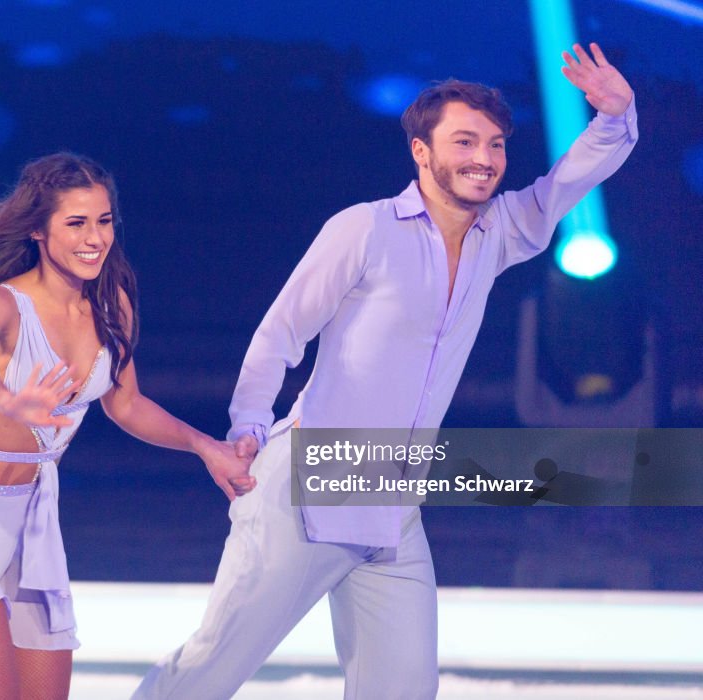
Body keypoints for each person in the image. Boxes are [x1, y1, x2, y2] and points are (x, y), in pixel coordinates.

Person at [133, 43, 637, 699]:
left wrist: (614, 118)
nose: (483, 158)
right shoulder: (366, 229)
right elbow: (281, 331)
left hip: (395, 507)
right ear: (422, 153)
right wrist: (248, 425)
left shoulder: (499, 233)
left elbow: (566, 183)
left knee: (400, 690)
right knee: (211, 670)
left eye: (495, 144)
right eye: (464, 142)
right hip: (307, 488)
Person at [0, 152, 254, 700]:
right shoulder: (3, 302)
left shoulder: (111, 306)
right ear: (38, 231)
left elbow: (126, 404)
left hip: (34, 521)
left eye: (103, 221)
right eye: (76, 222)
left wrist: (204, 446)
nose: (95, 237)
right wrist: (9, 401)